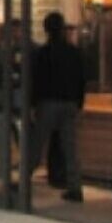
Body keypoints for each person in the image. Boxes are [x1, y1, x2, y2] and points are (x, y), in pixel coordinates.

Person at [29, 11, 86, 202]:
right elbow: (81, 80)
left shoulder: (43, 53)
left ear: (46, 30)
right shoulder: (74, 52)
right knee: (70, 148)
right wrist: (79, 104)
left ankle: (24, 180)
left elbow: (36, 81)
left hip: (48, 104)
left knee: (37, 145)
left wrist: (33, 104)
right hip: (69, 104)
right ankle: (75, 187)